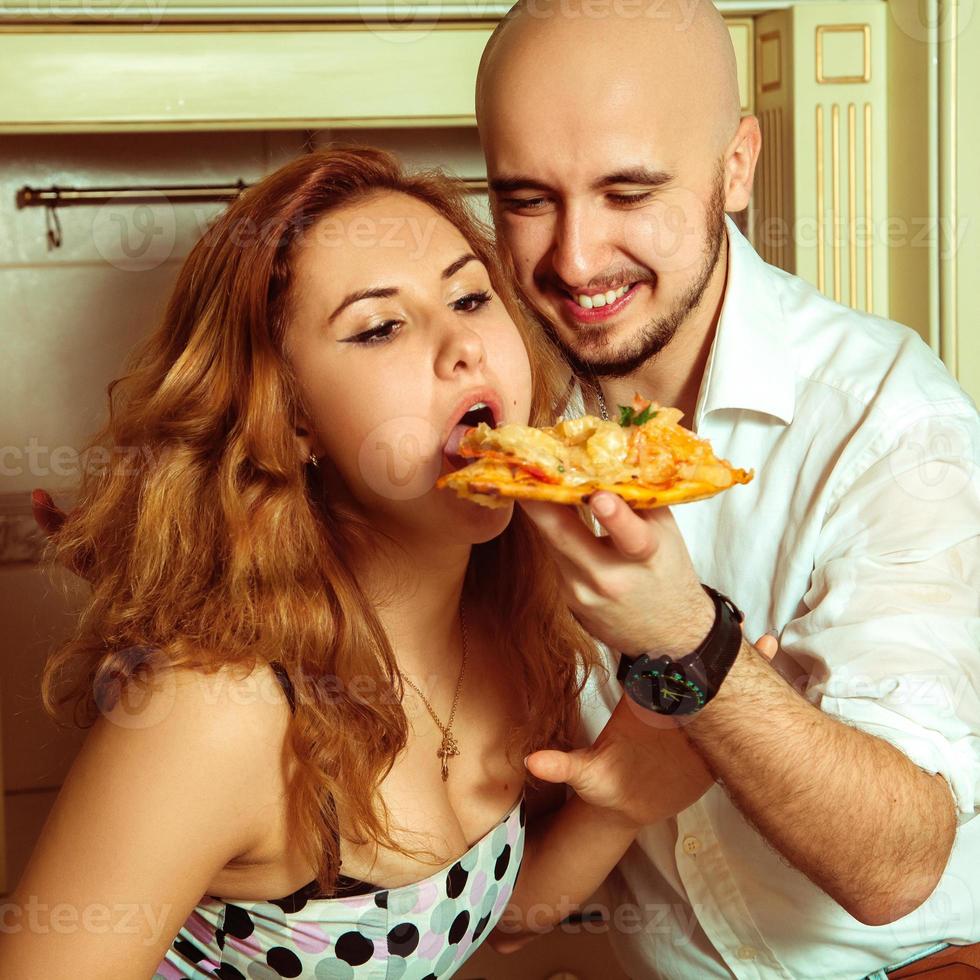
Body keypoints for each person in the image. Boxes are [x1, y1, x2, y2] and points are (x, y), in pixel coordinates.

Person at [5, 147, 741, 979]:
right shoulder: (213, 711)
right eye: (380, 326)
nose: (462, 342)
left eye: (470, 296)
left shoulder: (513, 622)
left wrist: (624, 796)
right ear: (290, 423)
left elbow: (491, 916)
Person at [474, 0, 980, 977]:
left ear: (734, 166)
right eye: (527, 199)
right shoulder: (500, 434)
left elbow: (897, 864)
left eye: (627, 193)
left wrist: (686, 641)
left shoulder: (890, 420)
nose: (574, 259)